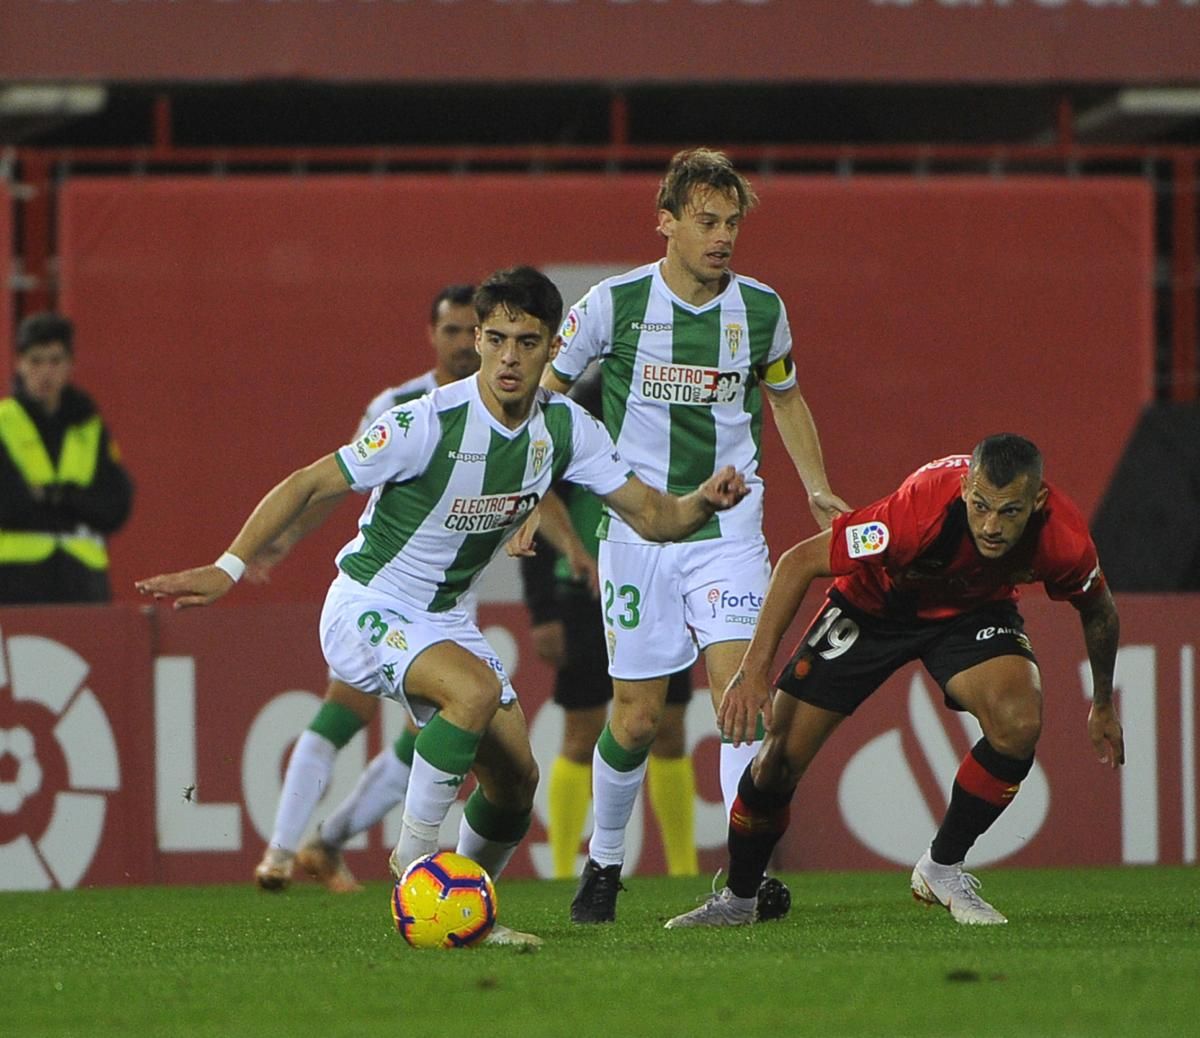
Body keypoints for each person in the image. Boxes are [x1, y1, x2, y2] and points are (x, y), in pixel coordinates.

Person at [136, 265, 750, 945]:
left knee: (516, 784)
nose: (509, 357)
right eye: (496, 339)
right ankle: (416, 862)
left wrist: (705, 503)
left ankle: (459, 916)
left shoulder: (568, 430)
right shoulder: (426, 422)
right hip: (368, 602)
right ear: (480, 342)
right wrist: (230, 566)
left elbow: (653, 516)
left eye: (526, 341)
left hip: (441, 617)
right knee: (474, 689)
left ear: (554, 348)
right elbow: (310, 482)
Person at [540, 147, 847, 923]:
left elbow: (785, 400)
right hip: (638, 534)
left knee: (741, 703)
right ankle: (603, 866)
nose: (722, 237)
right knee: (637, 719)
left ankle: (743, 881)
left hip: (729, 533)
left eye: (732, 222)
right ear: (666, 223)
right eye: (706, 221)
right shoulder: (613, 305)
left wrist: (814, 486)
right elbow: (541, 398)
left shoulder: (762, 310)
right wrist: (527, 499)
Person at [665, 434, 1125, 929]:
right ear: (967, 486)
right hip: (872, 608)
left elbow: (1099, 611)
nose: (991, 526)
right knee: (776, 762)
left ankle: (942, 868)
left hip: (971, 613)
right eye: (981, 506)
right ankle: (739, 899)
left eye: (1009, 512)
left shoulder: (1064, 536)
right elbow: (798, 562)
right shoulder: (914, 514)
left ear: (1037, 501)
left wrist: (1102, 702)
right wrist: (753, 673)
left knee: (1018, 723)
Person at [249, 283, 482, 893]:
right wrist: (287, 535)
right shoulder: (400, 404)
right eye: (451, 330)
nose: (462, 343)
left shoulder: (506, 410)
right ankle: (279, 853)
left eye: (471, 330)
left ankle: (324, 844)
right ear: (431, 335)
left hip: (450, 601)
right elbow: (340, 479)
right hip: (387, 591)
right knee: (342, 712)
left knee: (429, 736)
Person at [519, 364, 698, 880]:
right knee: (582, 729)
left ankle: (683, 871)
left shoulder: (675, 403)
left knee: (669, 728)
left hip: (659, 584)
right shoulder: (584, 405)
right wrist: (543, 608)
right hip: (582, 593)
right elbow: (535, 499)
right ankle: (560, 870)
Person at [0, 312, 133, 605]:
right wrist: (75, 501)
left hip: (83, 581)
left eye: (55, 361)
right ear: (19, 363)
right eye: (36, 361)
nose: (46, 372)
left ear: (70, 365)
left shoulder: (89, 426)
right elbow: (9, 504)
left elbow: (115, 506)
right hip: (15, 581)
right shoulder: (4, 421)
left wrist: (48, 495)